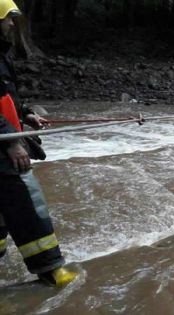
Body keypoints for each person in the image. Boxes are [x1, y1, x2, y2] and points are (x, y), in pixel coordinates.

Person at [0, 0, 76, 287]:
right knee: (27, 202)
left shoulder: (2, 54)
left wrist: (25, 114)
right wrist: (12, 143)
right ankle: (51, 270)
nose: (10, 25)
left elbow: (5, 96)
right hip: (3, 146)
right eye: (7, 19)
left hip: (6, 138)